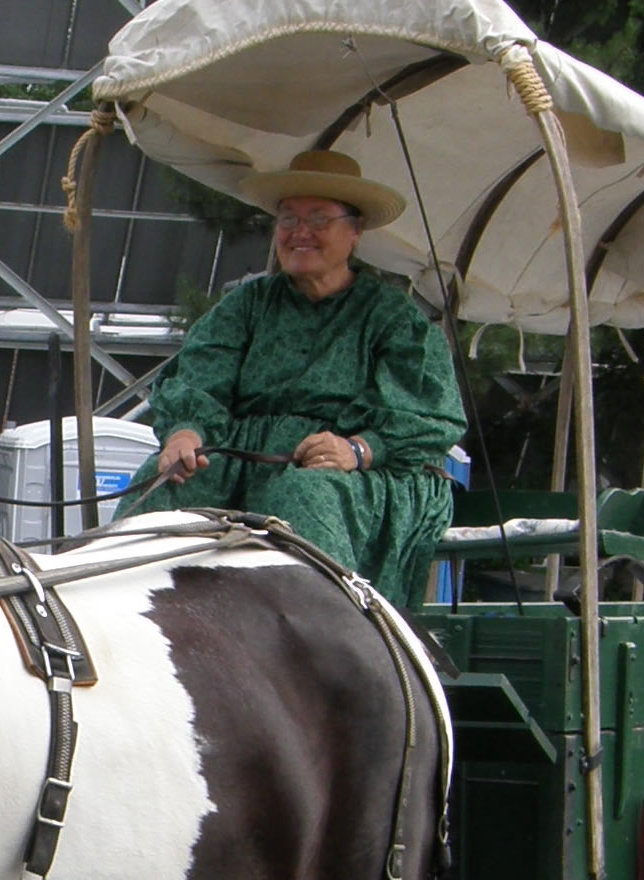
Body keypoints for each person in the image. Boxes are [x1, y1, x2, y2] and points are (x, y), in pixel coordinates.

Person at [120, 149, 464, 608]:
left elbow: (428, 417)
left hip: (359, 471)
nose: (300, 233)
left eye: (318, 219)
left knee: (303, 496)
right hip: (246, 456)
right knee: (160, 484)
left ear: (355, 230)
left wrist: (358, 448)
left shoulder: (392, 318)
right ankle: (120, 625)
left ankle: (336, 640)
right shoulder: (247, 305)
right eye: (288, 219)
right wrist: (186, 432)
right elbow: (200, 377)